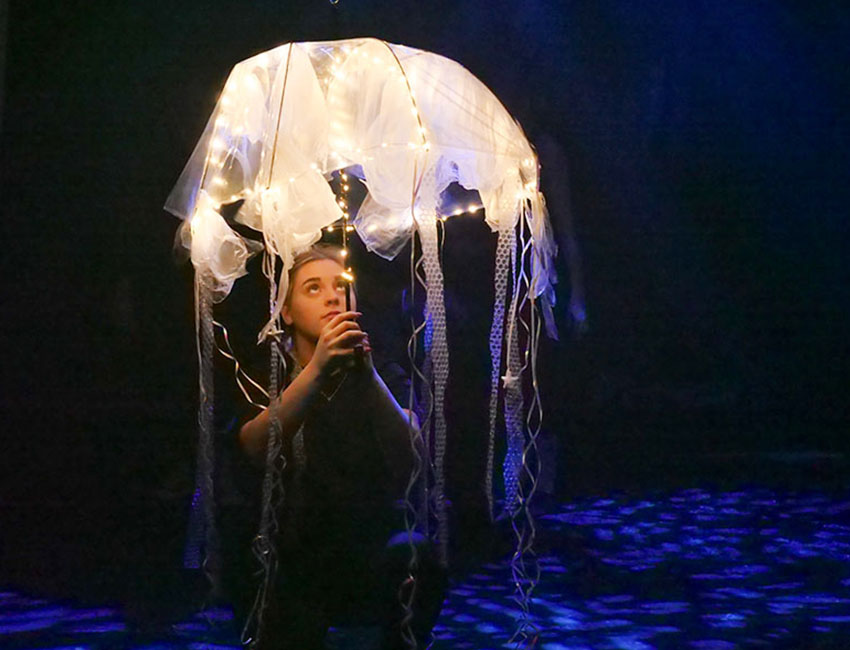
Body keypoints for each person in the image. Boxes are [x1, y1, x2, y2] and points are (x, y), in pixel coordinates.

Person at [219, 243, 446, 650]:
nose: (331, 296)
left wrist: (369, 377)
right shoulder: (263, 371)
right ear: (285, 312)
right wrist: (319, 368)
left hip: (364, 547)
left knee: (419, 555)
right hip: (288, 554)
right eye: (312, 288)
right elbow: (254, 447)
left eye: (341, 286)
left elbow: (414, 454)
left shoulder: (381, 370)